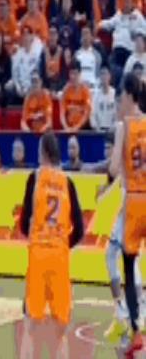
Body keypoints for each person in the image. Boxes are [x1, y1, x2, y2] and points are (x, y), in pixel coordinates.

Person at [19, 132, 84, 359]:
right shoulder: (67, 182)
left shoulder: (35, 178)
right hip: (59, 255)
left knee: (30, 325)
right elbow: (80, 229)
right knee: (61, 332)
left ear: (44, 153)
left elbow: (23, 222)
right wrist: (63, 243)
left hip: (38, 252)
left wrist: (37, 236)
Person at [108, 73, 146, 355]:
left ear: (129, 95)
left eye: (122, 95)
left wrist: (120, 164)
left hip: (133, 201)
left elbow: (112, 169)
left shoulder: (124, 126)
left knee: (130, 267)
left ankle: (136, 332)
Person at [98, 0, 146, 87]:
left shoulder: (138, 16)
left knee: (125, 71)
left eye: (128, 1)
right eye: (124, 1)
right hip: (117, 51)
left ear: (132, 2)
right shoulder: (118, 15)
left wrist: (136, 33)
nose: (126, 4)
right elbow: (108, 24)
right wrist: (98, 24)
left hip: (130, 51)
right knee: (110, 68)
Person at [6, 25, 44, 105]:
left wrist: (29, 89)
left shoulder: (37, 54)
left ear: (32, 36)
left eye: (27, 34)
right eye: (23, 35)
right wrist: (19, 88)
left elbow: (38, 73)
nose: (26, 37)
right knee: (9, 87)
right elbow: (15, 74)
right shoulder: (17, 54)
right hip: (20, 88)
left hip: (32, 87)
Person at [60, 61, 92, 132]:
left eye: (75, 73)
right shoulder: (66, 90)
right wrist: (66, 127)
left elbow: (86, 114)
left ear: (80, 74)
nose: (73, 76)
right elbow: (62, 112)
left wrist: (76, 128)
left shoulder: (85, 90)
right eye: (71, 73)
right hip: (69, 127)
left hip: (83, 129)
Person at [75, 25, 103, 91]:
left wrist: (93, 85)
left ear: (91, 37)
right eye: (83, 34)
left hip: (93, 88)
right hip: (79, 89)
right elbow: (74, 74)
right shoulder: (76, 55)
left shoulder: (97, 55)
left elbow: (98, 75)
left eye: (87, 33)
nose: (85, 37)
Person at [90, 65, 116, 131]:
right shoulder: (95, 95)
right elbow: (92, 114)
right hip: (99, 130)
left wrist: (112, 128)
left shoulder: (114, 94)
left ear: (109, 76)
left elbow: (117, 115)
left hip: (112, 130)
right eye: (101, 74)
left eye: (105, 74)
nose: (103, 76)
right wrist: (96, 128)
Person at [42, 25, 64, 92]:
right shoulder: (43, 52)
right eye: (50, 34)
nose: (52, 37)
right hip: (46, 86)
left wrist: (58, 88)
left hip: (59, 86)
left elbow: (65, 74)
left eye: (54, 34)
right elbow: (41, 72)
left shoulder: (62, 52)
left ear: (57, 36)